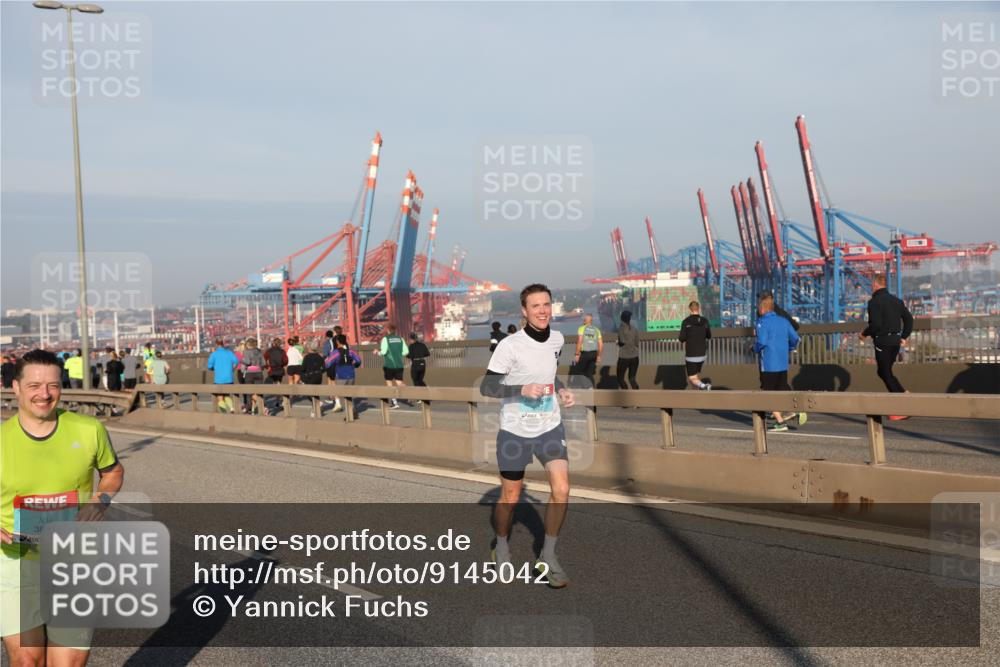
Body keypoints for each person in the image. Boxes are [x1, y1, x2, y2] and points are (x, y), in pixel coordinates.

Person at [1, 349, 124, 666]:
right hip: (15, 562)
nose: (44, 394)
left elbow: (112, 472)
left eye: (53, 385)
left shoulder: (88, 429)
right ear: (15, 387)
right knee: (27, 660)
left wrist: (100, 501)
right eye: (34, 386)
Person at [480, 283, 575, 588]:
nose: (542, 311)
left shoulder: (557, 339)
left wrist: (561, 389)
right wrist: (521, 389)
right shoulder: (510, 345)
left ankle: (547, 556)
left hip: (549, 426)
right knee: (511, 496)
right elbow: (487, 387)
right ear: (525, 311)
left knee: (562, 488)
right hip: (515, 430)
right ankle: (501, 547)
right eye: (536, 306)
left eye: (546, 304)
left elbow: (549, 373)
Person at [860, 272, 914, 421]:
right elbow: (909, 320)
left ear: (875, 285)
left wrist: (864, 333)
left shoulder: (874, 302)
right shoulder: (896, 301)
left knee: (884, 372)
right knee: (885, 372)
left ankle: (901, 407)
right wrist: (904, 336)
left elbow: (876, 325)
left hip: (883, 342)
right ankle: (903, 394)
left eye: (872, 285)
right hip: (895, 342)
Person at [754, 294, 807, 432]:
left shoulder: (762, 322)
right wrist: (789, 348)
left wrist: (754, 348)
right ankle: (796, 409)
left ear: (762, 308)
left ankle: (781, 422)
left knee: (768, 393)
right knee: (781, 388)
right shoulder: (783, 321)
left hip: (768, 363)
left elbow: (762, 342)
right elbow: (796, 338)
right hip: (782, 362)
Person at [679, 301, 712, 391]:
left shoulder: (686, 322)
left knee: (692, 377)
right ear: (698, 308)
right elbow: (709, 336)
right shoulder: (705, 321)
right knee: (695, 375)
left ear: (690, 309)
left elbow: (681, 338)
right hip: (702, 354)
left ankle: (704, 386)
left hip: (691, 354)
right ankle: (696, 394)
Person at [327, 335, 362, 415]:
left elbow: (328, 364)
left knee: (342, 395)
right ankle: (352, 410)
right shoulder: (350, 351)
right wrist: (354, 365)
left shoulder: (335, 352)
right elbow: (358, 360)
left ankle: (349, 414)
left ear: (337, 342)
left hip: (341, 376)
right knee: (350, 394)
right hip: (351, 375)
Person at [379, 324, 408, 409]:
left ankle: (394, 403)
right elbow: (406, 352)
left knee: (389, 383)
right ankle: (412, 393)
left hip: (389, 365)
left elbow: (383, 352)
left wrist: (377, 352)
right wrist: (398, 354)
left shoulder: (385, 339)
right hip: (399, 365)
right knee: (399, 382)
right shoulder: (400, 339)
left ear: (388, 330)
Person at [206, 338, 239, 413]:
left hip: (219, 380)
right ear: (223, 344)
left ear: (216, 344)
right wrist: (232, 369)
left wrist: (213, 368)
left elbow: (209, 366)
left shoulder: (214, 354)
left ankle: (224, 412)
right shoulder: (229, 353)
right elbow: (236, 361)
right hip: (229, 379)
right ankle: (231, 408)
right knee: (227, 395)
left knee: (220, 397)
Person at [572, 314, 603, 389]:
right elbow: (601, 344)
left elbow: (580, 341)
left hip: (585, 353)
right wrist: (599, 356)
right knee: (589, 373)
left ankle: (587, 387)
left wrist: (577, 354)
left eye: (584, 320)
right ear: (591, 321)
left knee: (580, 372)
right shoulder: (597, 330)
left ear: (585, 321)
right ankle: (592, 388)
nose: (583, 321)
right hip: (594, 354)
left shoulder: (582, 328)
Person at [616, 310, 640, 392]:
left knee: (620, 378)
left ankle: (626, 395)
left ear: (621, 318)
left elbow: (622, 342)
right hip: (635, 357)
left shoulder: (621, 328)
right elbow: (637, 343)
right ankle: (637, 396)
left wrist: (618, 342)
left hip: (624, 357)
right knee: (632, 379)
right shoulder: (634, 329)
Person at [240, 337, 265, 414]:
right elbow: (264, 363)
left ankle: (250, 408)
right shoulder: (259, 351)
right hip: (259, 372)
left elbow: (247, 362)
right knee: (259, 391)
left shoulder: (246, 351)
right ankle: (259, 408)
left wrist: (241, 360)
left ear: (248, 344)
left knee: (249, 392)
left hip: (250, 373)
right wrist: (259, 368)